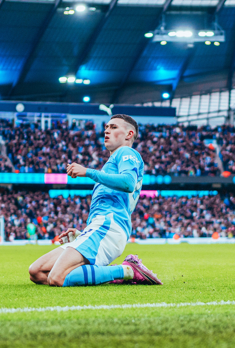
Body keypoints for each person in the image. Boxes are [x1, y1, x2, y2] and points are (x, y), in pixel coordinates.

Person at [28, 114, 161, 286]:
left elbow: (128, 183)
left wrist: (89, 172)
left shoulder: (126, 152)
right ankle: (104, 274)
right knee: (37, 272)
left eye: (113, 127)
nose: (106, 131)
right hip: (100, 227)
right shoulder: (112, 163)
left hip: (109, 226)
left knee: (57, 277)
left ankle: (127, 270)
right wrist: (82, 234)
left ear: (129, 134)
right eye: (106, 127)